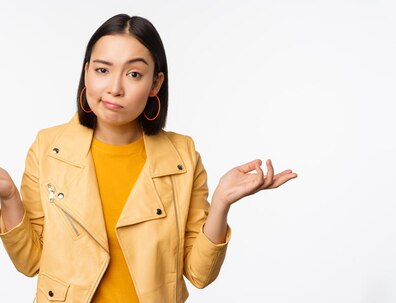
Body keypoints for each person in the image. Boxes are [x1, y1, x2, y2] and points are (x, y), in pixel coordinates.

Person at [0, 14, 297, 302]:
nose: (115, 88)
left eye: (134, 74)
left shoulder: (182, 155)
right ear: (86, 72)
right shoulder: (49, 147)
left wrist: (220, 203)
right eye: (102, 70)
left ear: (155, 84)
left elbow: (199, 274)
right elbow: (30, 261)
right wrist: (10, 197)